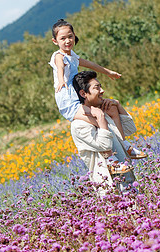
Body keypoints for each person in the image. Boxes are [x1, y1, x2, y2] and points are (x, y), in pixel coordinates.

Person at [49, 19, 146, 173]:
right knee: (97, 117)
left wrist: (108, 72)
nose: (67, 41)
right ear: (55, 41)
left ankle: (124, 145)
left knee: (112, 108)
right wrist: (61, 79)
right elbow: (60, 66)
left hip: (79, 97)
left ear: (74, 36)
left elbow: (91, 64)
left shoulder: (73, 56)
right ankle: (111, 161)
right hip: (68, 102)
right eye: (62, 38)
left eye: (70, 36)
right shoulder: (58, 56)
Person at [70, 71, 140, 193]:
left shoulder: (103, 112)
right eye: (97, 88)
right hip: (110, 188)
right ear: (83, 93)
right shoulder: (79, 125)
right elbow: (104, 145)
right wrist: (101, 119)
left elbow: (130, 129)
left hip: (128, 182)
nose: (102, 91)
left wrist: (117, 110)